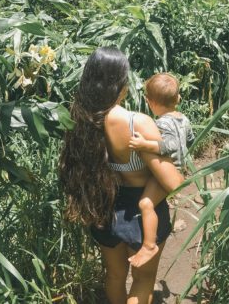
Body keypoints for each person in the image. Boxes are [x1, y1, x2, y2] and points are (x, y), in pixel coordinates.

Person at [59, 47, 184, 304]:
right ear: (120, 83)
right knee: (143, 280)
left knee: (115, 277)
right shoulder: (136, 123)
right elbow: (173, 182)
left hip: (103, 206)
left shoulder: (81, 118)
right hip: (139, 214)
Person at [126, 73, 194, 267]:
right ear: (178, 99)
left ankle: (149, 245)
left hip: (169, 170)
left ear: (150, 102)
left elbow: (170, 144)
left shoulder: (162, 123)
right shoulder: (183, 119)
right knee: (151, 202)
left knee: (146, 204)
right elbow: (188, 140)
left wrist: (145, 145)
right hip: (179, 168)